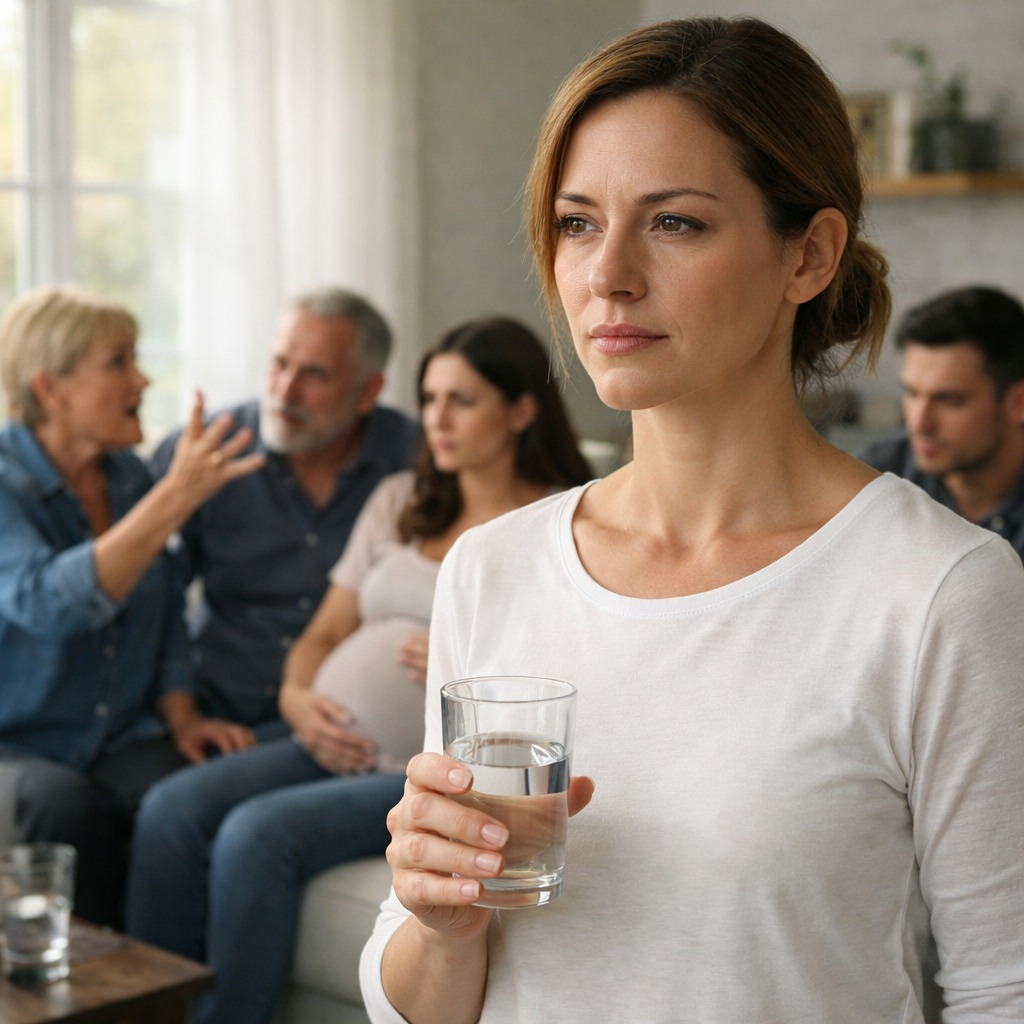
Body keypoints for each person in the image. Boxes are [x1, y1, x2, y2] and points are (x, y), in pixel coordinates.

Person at [360, 17, 1024, 1024]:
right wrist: (442, 920)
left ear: (809, 255)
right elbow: (418, 1000)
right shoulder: (491, 569)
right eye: (577, 222)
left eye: (674, 222)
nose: (606, 273)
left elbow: (1000, 987)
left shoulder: (938, 591)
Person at [125, 317, 592, 1024]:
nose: (434, 418)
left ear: (522, 410)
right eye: (429, 398)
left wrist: (451, 642)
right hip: (320, 739)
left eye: (461, 400)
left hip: (405, 765)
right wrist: (296, 699)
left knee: (256, 835)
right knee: (171, 809)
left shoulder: (559, 526)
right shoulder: (402, 498)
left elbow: (560, 675)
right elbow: (322, 634)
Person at [0, 285, 262, 924]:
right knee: (64, 808)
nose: (141, 379)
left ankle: (174, 998)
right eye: (118, 363)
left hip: (118, 734)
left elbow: (167, 605)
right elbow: (43, 605)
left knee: (194, 800)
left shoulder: (128, 478)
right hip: (16, 745)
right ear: (52, 389)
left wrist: (183, 718)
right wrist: (175, 497)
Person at [150, 286, 421, 740]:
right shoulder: (203, 453)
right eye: (278, 364)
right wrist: (184, 718)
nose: (285, 390)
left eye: (314, 374)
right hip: (214, 705)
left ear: (367, 391)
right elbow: (156, 601)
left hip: (339, 722)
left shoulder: (417, 461)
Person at [858, 285, 1024, 560]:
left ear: (1018, 403)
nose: (920, 424)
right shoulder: (874, 480)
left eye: (949, 399)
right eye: (912, 393)